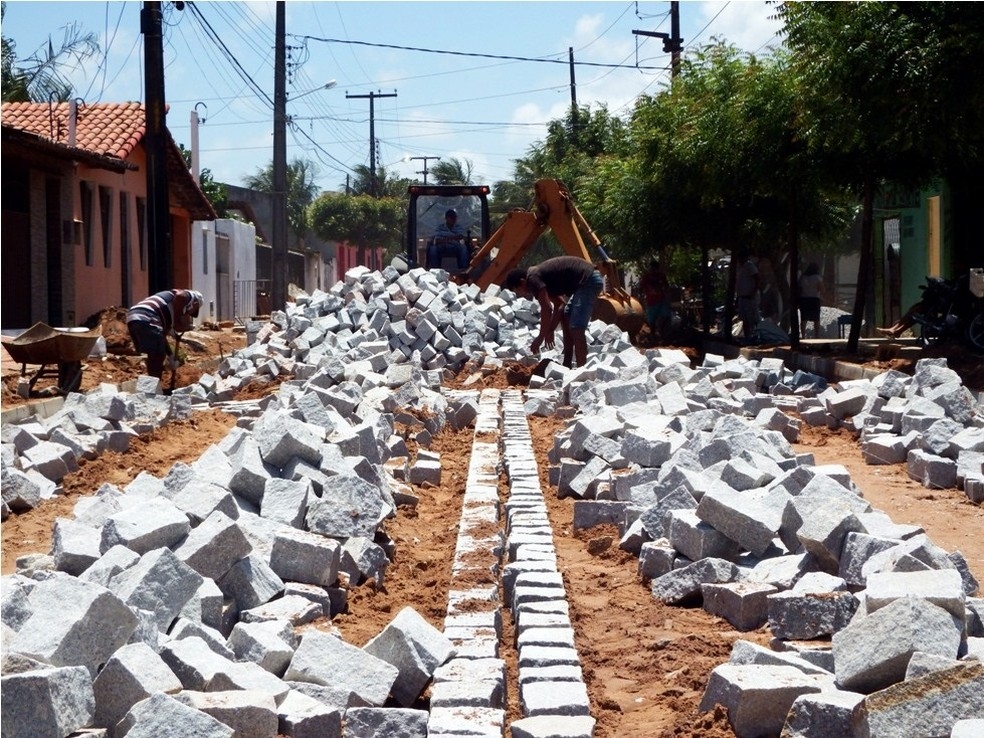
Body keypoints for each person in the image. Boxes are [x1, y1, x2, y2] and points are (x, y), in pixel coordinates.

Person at [504, 255, 603, 369]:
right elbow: (559, 304)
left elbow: (547, 308)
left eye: (517, 290)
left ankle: (582, 371)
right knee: (566, 316)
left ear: (522, 282)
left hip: (588, 280)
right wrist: (550, 330)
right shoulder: (538, 278)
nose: (519, 294)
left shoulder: (533, 279)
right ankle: (567, 364)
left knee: (576, 328)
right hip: (585, 280)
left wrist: (541, 337)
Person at [126, 289, 203, 379]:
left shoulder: (168, 315)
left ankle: (152, 385)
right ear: (195, 303)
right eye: (192, 311)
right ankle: (155, 386)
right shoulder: (188, 296)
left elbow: (162, 336)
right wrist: (177, 321)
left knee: (155, 353)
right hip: (148, 315)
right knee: (157, 356)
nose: (189, 314)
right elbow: (180, 296)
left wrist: (170, 356)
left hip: (133, 317)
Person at [638, 260, 671, 343]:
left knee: (665, 316)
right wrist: (640, 297)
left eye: (655, 268)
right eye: (653, 268)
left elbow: (666, 286)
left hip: (661, 300)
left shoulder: (661, 276)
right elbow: (640, 288)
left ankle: (660, 333)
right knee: (652, 320)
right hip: (652, 301)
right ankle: (653, 335)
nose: (654, 270)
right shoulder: (647, 277)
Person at [735, 253, 760, 339]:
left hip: (749, 296)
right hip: (742, 296)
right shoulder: (740, 268)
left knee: (752, 318)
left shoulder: (749, 265)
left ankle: (757, 334)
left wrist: (753, 291)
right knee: (744, 318)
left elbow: (756, 277)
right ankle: (747, 337)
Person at [798, 262, 824, 338]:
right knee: (816, 318)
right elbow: (821, 288)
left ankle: (802, 335)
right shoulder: (817, 277)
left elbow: (800, 289)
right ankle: (817, 335)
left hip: (804, 299)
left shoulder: (803, 277)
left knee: (804, 318)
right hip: (814, 299)